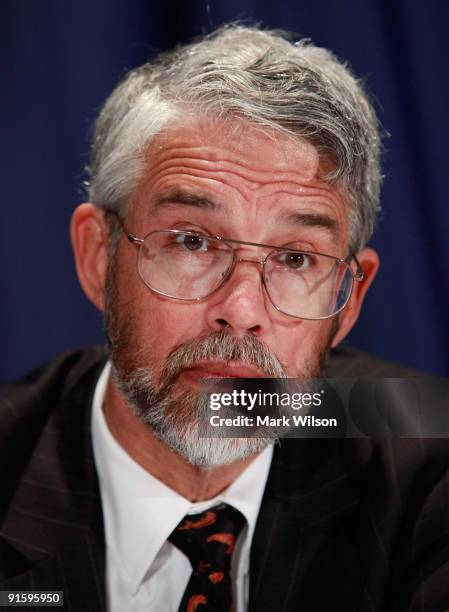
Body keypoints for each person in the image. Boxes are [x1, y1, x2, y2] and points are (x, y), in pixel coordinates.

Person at [1, 24, 448, 612]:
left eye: (294, 258)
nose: (240, 312)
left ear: (349, 297)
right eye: (191, 242)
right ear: (98, 257)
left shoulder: (428, 459)